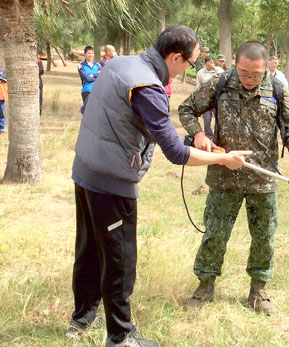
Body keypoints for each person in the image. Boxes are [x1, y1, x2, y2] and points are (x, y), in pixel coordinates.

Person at [68, 25, 250, 347]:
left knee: (89, 249)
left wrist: (197, 141)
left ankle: (81, 319)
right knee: (120, 261)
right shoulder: (148, 86)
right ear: (175, 57)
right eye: (189, 64)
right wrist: (223, 160)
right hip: (111, 183)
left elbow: (143, 123)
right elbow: (176, 154)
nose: (187, 70)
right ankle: (121, 338)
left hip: (85, 171)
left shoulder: (120, 64)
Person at [178, 40, 289, 316]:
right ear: (236, 63)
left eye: (256, 75)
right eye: (245, 73)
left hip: (263, 179)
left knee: (264, 237)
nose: (249, 79)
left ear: (266, 69)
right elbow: (186, 109)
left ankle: (258, 292)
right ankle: (205, 286)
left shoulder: (276, 89)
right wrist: (199, 134)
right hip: (225, 176)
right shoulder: (220, 83)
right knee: (215, 234)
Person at [196, 56, 219, 140]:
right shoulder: (200, 73)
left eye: (213, 62)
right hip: (206, 100)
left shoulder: (219, 71)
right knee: (206, 120)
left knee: (219, 118)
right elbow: (198, 87)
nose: (212, 64)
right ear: (206, 63)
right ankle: (209, 136)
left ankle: (218, 136)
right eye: (210, 62)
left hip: (217, 99)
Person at [0, 66, 7, 133]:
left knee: (1, 112)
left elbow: (4, 79)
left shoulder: (2, 71)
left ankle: (1, 128)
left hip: (1, 95)